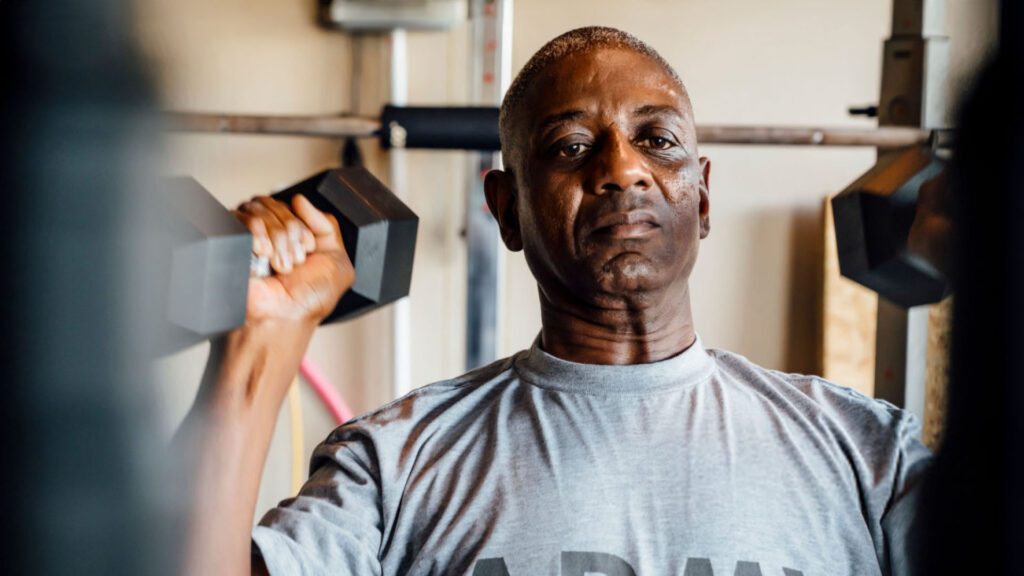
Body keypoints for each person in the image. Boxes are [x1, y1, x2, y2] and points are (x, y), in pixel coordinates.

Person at [180, 27, 931, 576]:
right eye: (572, 146)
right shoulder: (395, 463)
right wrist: (255, 351)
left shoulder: (868, 455)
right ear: (506, 209)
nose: (622, 170)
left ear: (703, 197)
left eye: (658, 141)